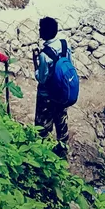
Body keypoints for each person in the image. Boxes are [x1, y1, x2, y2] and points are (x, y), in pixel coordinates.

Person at [34, 16, 71, 155]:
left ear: (45, 32)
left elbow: (41, 78)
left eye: (40, 28)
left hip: (47, 96)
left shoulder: (45, 55)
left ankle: (43, 154)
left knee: (42, 127)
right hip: (62, 91)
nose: (39, 30)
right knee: (61, 121)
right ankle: (62, 150)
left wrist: (35, 63)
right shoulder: (64, 44)